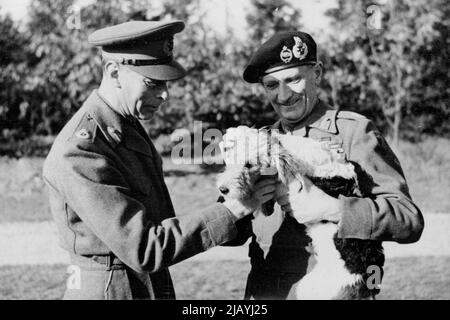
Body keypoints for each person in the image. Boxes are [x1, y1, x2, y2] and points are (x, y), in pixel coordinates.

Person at [42, 20, 277, 300]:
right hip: (112, 291)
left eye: (165, 84)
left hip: (145, 284)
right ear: (113, 71)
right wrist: (234, 209)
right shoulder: (82, 149)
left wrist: (241, 200)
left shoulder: (123, 128)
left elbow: (161, 227)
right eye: (153, 83)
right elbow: (144, 248)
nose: (164, 95)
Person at [224, 31, 424, 300]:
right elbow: (233, 234)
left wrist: (336, 209)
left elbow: (408, 219)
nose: (283, 96)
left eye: (293, 79)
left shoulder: (353, 132)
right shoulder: (258, 144)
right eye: (271, 85)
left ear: (317, 73)